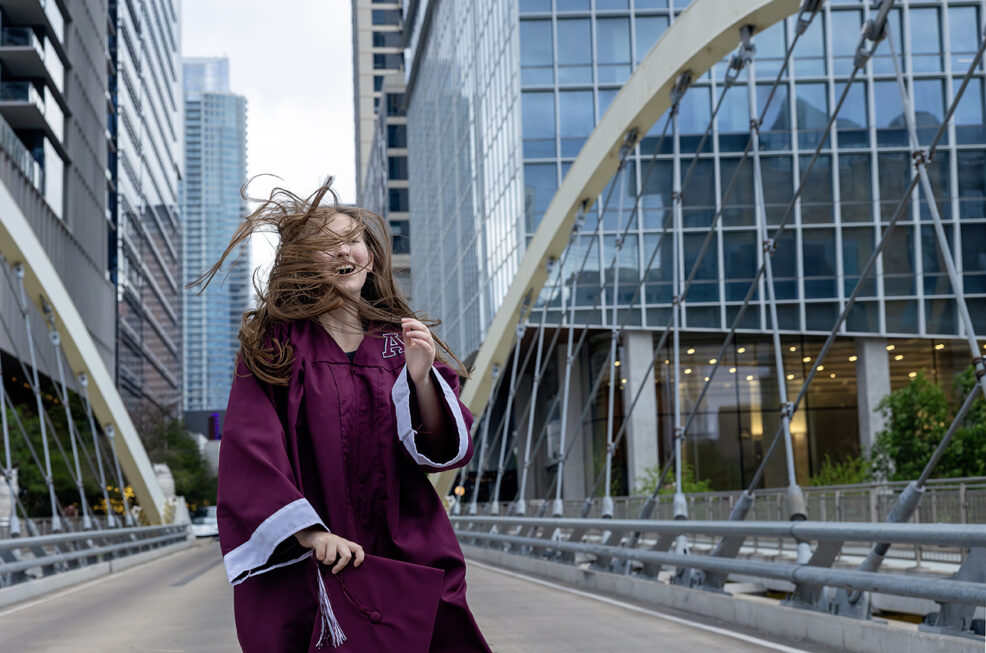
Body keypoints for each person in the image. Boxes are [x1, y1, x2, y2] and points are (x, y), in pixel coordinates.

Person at [189, 180, 490, 651]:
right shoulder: (276, 347)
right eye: (327, 245)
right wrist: (308, 532)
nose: (344, 250)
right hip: (312, 561)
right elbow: (251, 448)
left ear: (370, 254)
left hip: (402, 548)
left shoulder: (400, 343)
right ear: (304, 261)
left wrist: (420, 379)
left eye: (353, 239)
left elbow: (441, 451)